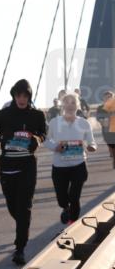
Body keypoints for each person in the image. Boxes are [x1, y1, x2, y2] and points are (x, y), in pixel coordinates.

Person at [0, 79, 47, 265]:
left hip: (28, 164)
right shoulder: (4, 115)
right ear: (14, 96)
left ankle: (20, 248)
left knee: (24, 206)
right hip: (7, 164)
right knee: (13, 205)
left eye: (25, 96)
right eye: (18, 95)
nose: (21, 99)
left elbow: (43, 133)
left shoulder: (37, 115)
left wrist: (37, 139)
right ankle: (23, 223)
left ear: (29, 97)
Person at [44, 92, 97, 224]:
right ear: (62, 105)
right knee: (62, 199)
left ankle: (72, 223)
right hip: (59, 166)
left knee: (74, 196)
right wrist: (55, 147)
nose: (69, 105)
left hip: (78, 165)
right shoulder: (54, 122)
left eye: (73, 102)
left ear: (77, 106)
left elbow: (92, 142)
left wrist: (91, 147)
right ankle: (65, 208)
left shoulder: (84, 123)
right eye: (66, 102)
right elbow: (46, 140)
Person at [97, 90, 115, 169]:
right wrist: (102, 121)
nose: (108, 99)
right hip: (106, 129)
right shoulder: (100, 108)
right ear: (103, 99)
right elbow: (99, 118)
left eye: (110, 97)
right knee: (110, 144)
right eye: (106, 97)